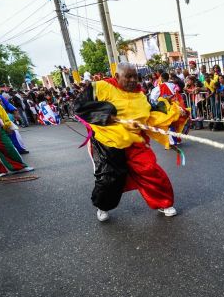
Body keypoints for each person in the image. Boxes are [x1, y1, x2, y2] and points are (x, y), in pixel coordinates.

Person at [74, 63, 187, 222]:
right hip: (108, 141)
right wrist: (106, 115)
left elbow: (151, 113)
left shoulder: (140, 95)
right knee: (109, 177)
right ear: (117, 76)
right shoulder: (100, 87)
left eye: (135, 76)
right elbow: (79, 107)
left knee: (150, 170)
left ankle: (163, 202)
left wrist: (173, 111)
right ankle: (103, 206)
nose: (133, 80)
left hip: (135, 141)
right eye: (128, 76)